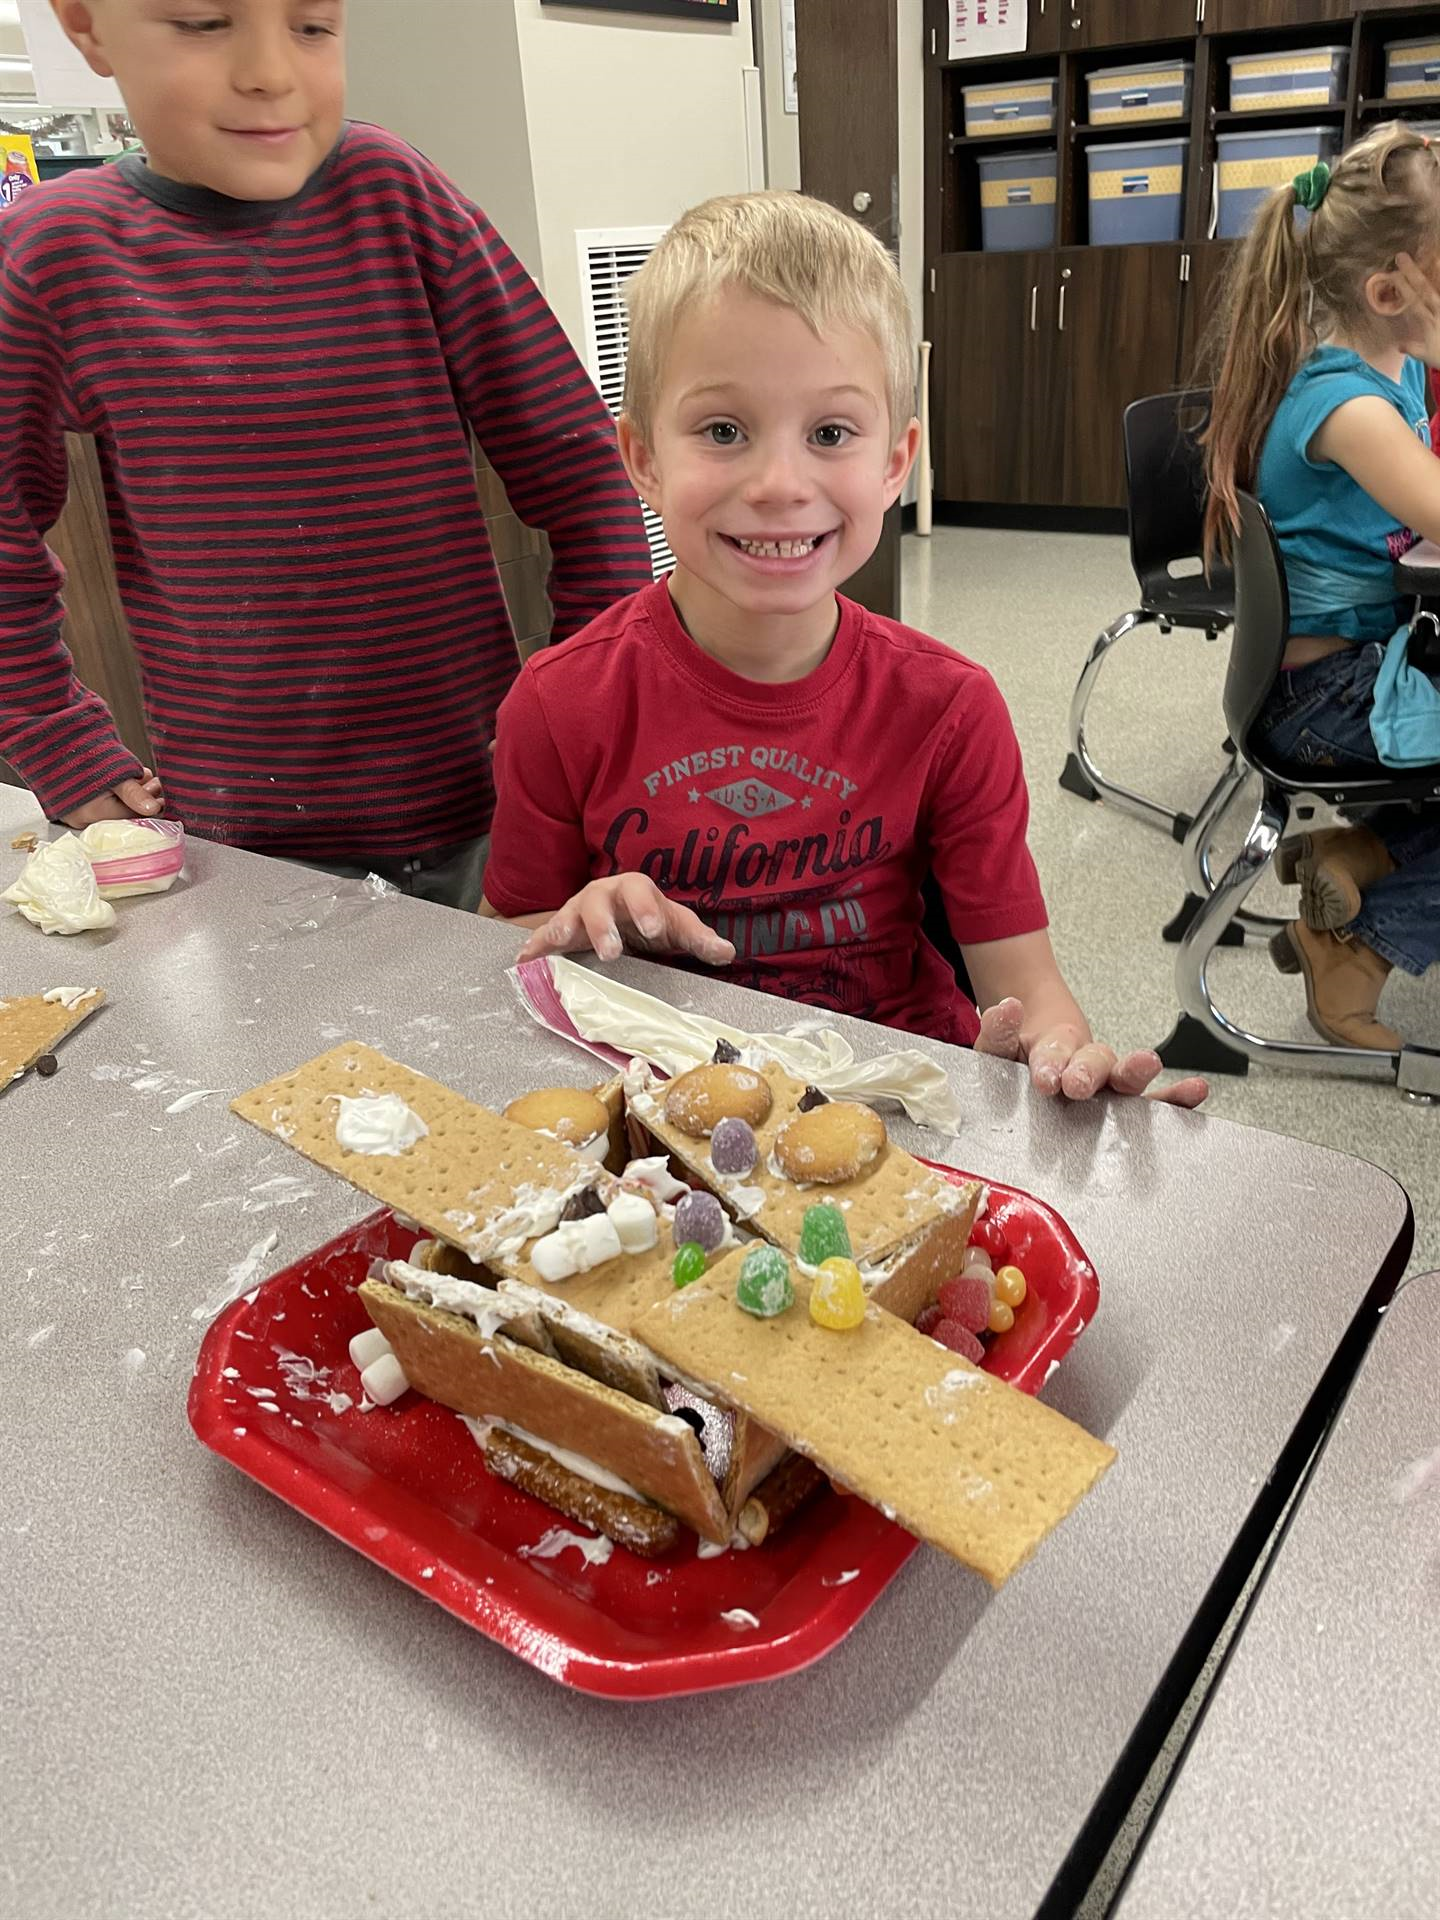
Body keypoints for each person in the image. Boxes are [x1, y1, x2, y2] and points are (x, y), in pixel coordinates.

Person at [481, 191, 1206, 1106]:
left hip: (895, 1104)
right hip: (662, 1110)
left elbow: (1029, 992)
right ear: (643, 457)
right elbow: (503, 950)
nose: (781, 485)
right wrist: (567, 926)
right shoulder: (558, 704)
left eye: (830, 433)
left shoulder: (950, 708)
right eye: (723, 431)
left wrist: (1064, 1060)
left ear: (895, 462)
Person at [0, 0, 652, 909]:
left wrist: (596, 707)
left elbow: (581, 466)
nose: (271, 71)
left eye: (312, 27)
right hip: (241, 838)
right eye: (201, 22)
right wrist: (52, 732)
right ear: (87, 26)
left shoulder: (395, 193)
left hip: (484, 806)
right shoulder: (54, 249)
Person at [1204, 123, 1440, 1049]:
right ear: (1390, 291)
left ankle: (1357, 854)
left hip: (1355, 669)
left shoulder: (1391, 366)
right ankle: (1357, 945)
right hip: (1323, 699)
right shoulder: (1348, 406)